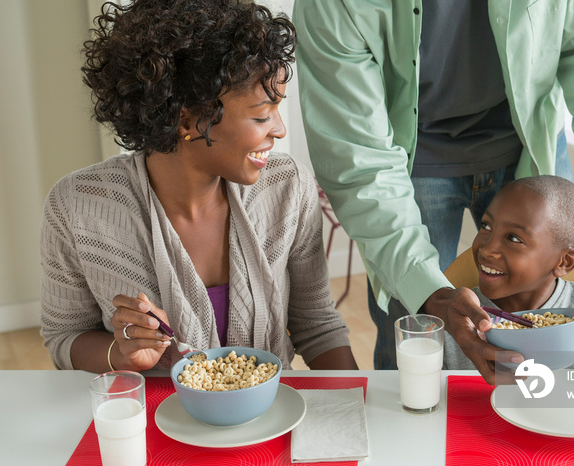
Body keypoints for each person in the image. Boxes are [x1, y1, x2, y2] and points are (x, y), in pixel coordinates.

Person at [292, 0, 574, 381]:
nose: (487, 248)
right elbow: (360, 159)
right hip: (406, 162)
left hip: (530, 138)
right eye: (489, 232)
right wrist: (429, 294)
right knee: (413, 338)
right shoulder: (334, 5)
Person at [39, 0, 358, 373]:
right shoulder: (78, 207)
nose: (279, 130)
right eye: (261, 115)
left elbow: (318, 326)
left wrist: (353, 414)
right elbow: (64, 336)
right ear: (188, 121)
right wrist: (121, 353)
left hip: (269, 415)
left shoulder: (288, 188)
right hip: (151, 420)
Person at [443, 175, 574, 372]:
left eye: (513, 238)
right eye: (486, 226)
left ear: (564, 262)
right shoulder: (458, 317)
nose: (487, 249)